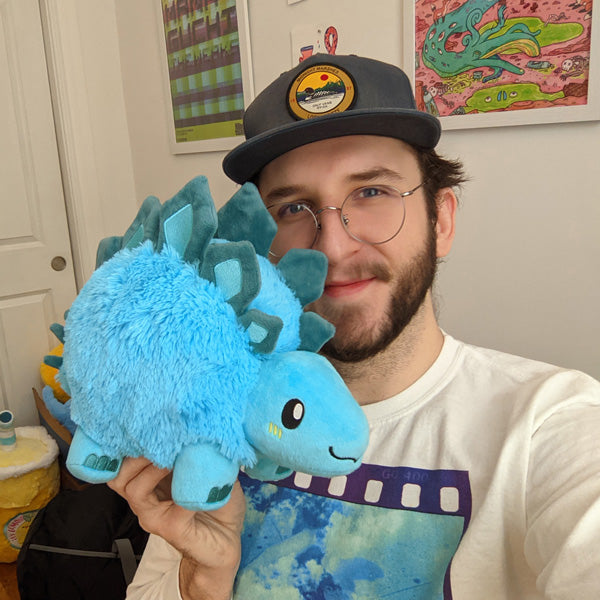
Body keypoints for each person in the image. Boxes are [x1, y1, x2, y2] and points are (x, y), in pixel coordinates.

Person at [108, 54, 600, 599]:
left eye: (371, 192)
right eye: (293, 208)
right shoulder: (218, 404)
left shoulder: (548, 425)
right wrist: (203, 579)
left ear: (441, 219)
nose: (334, 248)